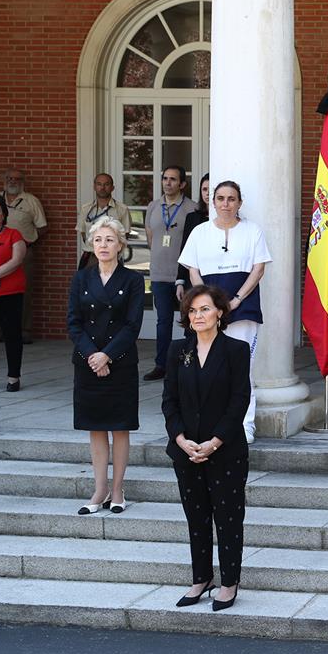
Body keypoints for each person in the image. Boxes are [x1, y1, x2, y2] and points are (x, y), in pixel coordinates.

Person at [162, 285, 252, 612]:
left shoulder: (236, 350)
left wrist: (214, 442)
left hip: (225, 450)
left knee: (228, 518)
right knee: (196, 518)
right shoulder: (177, 350)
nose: (198, 316)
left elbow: (239, 400)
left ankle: (229, 582)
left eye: (204, 309)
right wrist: (180, 439)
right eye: (192, 310)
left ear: (220, 313)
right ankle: (201, 579)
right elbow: (169, 400)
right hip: (187, 452)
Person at [178, 180, 271, 443]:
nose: (225, 204)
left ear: (239, 203)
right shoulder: (200, 232)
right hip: (207, 312)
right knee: (208, 366)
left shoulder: (252, 231)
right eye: (220, 198)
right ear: (213, 202)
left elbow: (258, 269)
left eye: (231, 199)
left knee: (242, 369)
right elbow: (193, 270)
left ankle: (244, 425)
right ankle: (213, 423)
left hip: (243, 308)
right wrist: (208, 304)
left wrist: (237, 299)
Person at [67, 217, 144, 515]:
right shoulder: (81, 279)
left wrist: (107, 356)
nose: (103, 245)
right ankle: (99, 490)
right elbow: (74, 323)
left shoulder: (133, 280)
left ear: (120, 245)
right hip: (88, 363)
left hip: (120, 362)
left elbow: (132, 325)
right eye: (98, 239)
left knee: (120, 428)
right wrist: (93, 356)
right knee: (96, 428)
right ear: (91, 244)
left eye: (110, 240)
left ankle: (117, 490)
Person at [143, 165, 198, 381]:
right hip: (159, 274)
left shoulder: (192, 208)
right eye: (165, 178)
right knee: (163, 321)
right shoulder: (153, 206)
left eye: (173, 179)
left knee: (189, 322)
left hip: (182, 275)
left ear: (182, 184)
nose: (168, 183)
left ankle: (187, 363)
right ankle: (161, 365)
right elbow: (150, 237)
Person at [0, 194, 27, 392]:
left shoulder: (13, 234)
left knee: (12, 335)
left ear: (4, 214)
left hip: (10, 293)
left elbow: (17, 260)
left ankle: (13, 377)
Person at [1, 169, 47, 342]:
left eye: (17, 179)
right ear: (4, 180)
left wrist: (26, 241)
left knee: (23, 291)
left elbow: (42, 227)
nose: (13, 181)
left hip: (23, 253)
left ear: (23, 182)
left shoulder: (31, 201)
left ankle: (24, 331)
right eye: (9, 178)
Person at [76, 173, 131, 270]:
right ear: (94, 187)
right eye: (99, 184)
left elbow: (124, 236)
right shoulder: (86, 209)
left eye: (106, 184)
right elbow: (83, 233)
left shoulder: (122, 209)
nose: (102, 187)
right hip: (90, 258)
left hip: (113, 258)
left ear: (112, 188)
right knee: (84, 280)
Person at [175, 173, 210, 293]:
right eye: (204, 189)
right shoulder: (192, 217)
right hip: (194, 273)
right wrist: (180, 280)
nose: (207, 193)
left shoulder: (224, 219)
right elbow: (185, 248)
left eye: (211, 190)